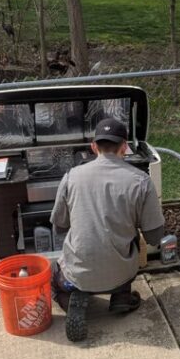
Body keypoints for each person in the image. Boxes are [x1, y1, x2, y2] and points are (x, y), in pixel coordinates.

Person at [50, 117, 165, 342]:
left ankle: (73, 297)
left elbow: (59, 226)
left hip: (77, 274)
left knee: (56, 277)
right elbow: (154, 236)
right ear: (125, 147)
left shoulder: (71, 176)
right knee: (128, 242)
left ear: (94, 147)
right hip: (122, 273)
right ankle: (121, 295)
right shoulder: (141, 181)